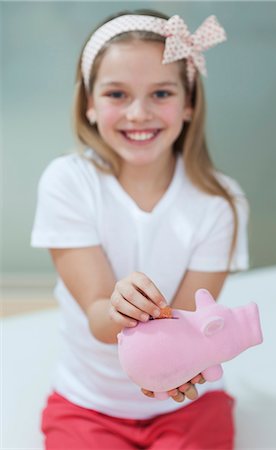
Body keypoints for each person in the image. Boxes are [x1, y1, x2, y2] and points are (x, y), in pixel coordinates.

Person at [31, 8, 249, 450]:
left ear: (188, 104)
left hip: (186, 405)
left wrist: (179, 364)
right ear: (89, 105)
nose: (139, 113)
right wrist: (119, 306)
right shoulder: (68, 183)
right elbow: (97, 314)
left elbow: (189, 328)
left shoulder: (220, 203)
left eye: (161, 93)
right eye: (116, 93)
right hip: (87, 404)